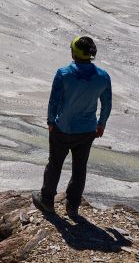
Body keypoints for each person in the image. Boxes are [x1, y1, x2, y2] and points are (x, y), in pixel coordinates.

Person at [32, 35, 112, 219]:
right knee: (80, 167)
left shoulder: (63, 73)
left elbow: (54, 101)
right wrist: (101, 124)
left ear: (74, 52)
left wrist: (51, 121)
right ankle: (73, 206)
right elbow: (106, 104)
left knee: (55, 165)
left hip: (63, 128)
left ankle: (47, 201)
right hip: (88, 130)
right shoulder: (103, 76)